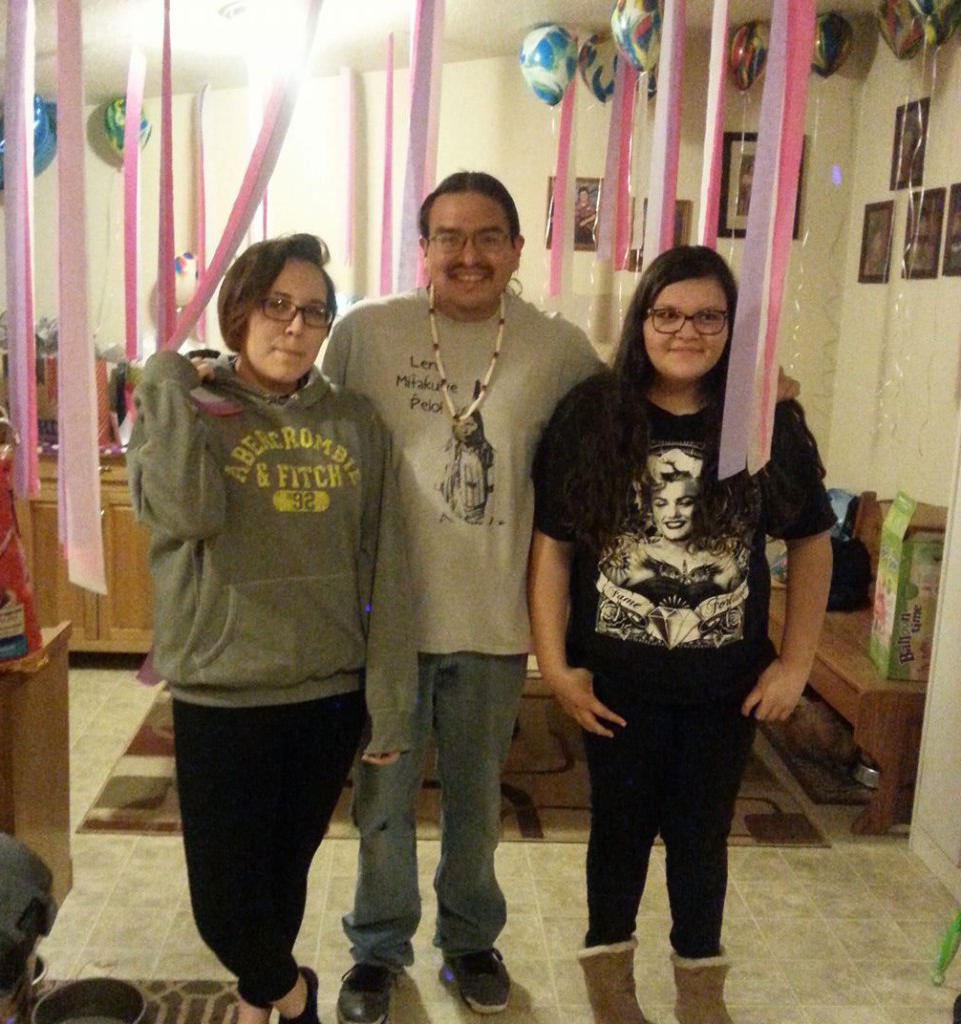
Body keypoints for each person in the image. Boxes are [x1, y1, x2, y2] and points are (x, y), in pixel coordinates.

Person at [322, 171, 604, 1022]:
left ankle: (471, 939)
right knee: (382, 805)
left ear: (518, 249)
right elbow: (312, 434)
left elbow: (623, 427)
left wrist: (753, 398)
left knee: (478, 804)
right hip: (386, 629)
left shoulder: (558, 349)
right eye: (448, 236)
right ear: (424, 249)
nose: (468, 254)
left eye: (488, 237)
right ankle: (377, 950)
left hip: (493, 622)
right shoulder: (366, 334)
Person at [528, 245, 834, 1024]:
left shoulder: (769, 422)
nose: (687, 330)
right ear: (643, 322)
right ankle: (611, 991)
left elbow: (810, 540)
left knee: (701, 842)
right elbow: (554, 546)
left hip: (724, 691)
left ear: (733, 327)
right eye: (668, 313)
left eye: (708, 316)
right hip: (617, 688)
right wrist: (556, 666)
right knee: (618, 837)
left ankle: (702, 996)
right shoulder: (592, 415)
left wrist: (796, 665)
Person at [126, 234, 416, 1024]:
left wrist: (388, 701)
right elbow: (189, 512)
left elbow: (387, 568)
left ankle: (259, 1004)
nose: (294, 327)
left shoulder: (357, 422)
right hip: (222, 690)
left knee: (282, 881)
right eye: (276, 306)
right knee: (224, 904)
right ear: (240, 310)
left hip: (326, 693)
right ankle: (293, 996)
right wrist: (164, 382)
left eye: (314, 312)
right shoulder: (185, 410)